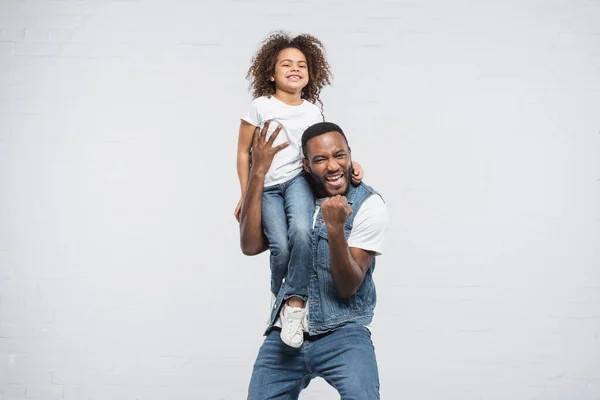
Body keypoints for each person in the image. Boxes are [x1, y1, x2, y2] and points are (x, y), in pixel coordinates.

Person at [239, 121, 389, 399]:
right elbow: (249, 246)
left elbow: (348, 287)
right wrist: (258, 172)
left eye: (339, 155)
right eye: (321, 159)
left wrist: (335, 230)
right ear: (306, 165)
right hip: (285, 334)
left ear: (350, 155)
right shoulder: (289, 198)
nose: (333, 166)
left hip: (343, 333)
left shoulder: (369, 205)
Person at [234, 32, 363, 347]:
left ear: (311, 73)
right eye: (286, 64)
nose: (295, 69)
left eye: (301, 65)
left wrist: (353, 163)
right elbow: (242, 152)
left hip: (296, 182)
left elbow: (324, 147)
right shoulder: (260, 106)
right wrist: (245, 193)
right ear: (270, 72)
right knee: (280, 244)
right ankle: (281, 295)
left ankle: (294, 305)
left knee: (302, 233)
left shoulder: (312, 112)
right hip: (265, 186)